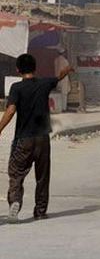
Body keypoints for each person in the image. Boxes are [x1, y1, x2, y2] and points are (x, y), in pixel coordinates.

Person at [0, 54, 73, 223]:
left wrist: (0, 128)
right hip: (42, 139)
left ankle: (15, 203)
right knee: (42, 176)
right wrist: (68, 70)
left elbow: (10, 111)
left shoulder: (16, 88)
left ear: (18, 70)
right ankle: (40, 211)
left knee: (16, 174)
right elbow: (59, 76)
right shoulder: (44, 83)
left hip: (23, 139)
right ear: (35, 68)